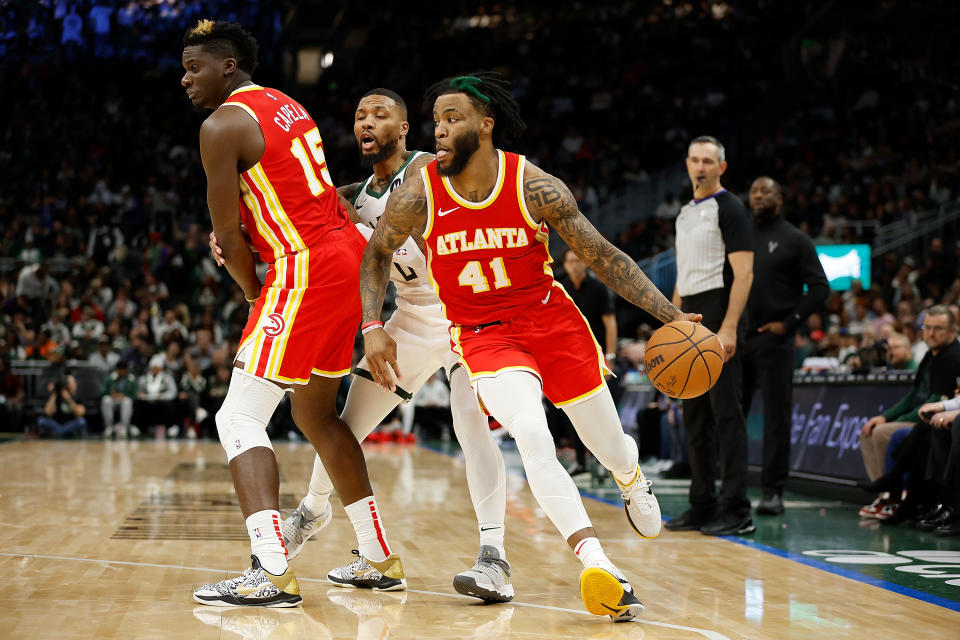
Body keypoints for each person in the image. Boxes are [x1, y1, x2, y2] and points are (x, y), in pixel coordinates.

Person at [358, 71, 701, 622]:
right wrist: (372, 325)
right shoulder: (421, 192)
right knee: (530, 431)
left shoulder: (534, 185)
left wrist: (673, 316)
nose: (439, 132)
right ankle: (599, 565)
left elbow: (603, 256)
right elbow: (376, 253)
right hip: (484, 336)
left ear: (485, 125)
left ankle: (631, 473)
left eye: (453, 119)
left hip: (552, 324)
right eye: (436, 122)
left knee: (608, 446)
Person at [255, 88, 514, 602]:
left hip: (470, 316)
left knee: (471, 427)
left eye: (381, 115)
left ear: (404, 129)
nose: (367, 122)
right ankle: (312, 512)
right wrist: (234, 236)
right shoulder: (350, 198)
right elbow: (294, 212)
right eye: (359, 116)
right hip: (413, 322)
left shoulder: (435, 169)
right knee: (342, 427)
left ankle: (494, 558)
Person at [180, 20, 401, 608]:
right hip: (345, 256)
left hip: (304, 266)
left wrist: (255, 294)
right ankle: (377, 555)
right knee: (318, 416)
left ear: (228, 66)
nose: (186, 79)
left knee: (238, 418)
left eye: (194, 67)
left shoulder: (220, 125)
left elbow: (226, 235)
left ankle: (271, 569)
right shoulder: (285, 104)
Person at [665, 136, 755, 536]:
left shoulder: (731, 208)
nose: (700, 167)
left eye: (708, 161)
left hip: (720, 311)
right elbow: (684, 276)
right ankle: (701, 504)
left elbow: (745, 273)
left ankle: (737, 509)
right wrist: (672, 320)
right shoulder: (684, 213)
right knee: (695, 417)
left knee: (727, 416)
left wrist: (730, 326)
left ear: (722, 166)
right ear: (687, 164)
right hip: (689, 317)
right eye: (695, 160)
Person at [741, 176, 829, 515]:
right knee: (733, 417)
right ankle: (731, 490)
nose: (759, 195)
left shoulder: (796, 239)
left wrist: (789, 324)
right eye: (754, 190)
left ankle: (773, 491)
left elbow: (820, 289)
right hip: (740, 337)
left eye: (766, 191)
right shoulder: (741, 237)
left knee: (777, 419)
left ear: (780, 199)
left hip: (776, 341)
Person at [858, 305, 960, 519]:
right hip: (926, 415)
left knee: (884, 433)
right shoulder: (930, 356)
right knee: (869, 430)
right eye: (927, 328)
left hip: (931, 418)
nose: (931, 333)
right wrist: (885, 416)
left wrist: (897, 420)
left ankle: (894, 494)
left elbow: (934, 402)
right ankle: (885, 494)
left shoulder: (952, 357)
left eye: (938, 329)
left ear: (952, 330)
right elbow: (912, 396)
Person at [552, 248, 618, 475]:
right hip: (570, 358)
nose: (574, 265)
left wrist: (610, 357)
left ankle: (603, 465)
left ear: (585, 263)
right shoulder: (561, 288)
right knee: (575, 413)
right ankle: (580, 462)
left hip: (596, 357)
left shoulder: (598, 289)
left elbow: (610, 323)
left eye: (578, 260)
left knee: (601, 413)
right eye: (570, 261)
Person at [101, 359, 137, 438]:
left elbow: (135, 395)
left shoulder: (131, 379)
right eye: (120, 369)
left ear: (126, 370)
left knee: (127, 401)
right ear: (116, 369)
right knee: (106, 400)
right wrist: (111, 394)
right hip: (113, 400)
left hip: (124, 400)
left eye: (123, 369)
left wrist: (124, 395)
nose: (122, 372)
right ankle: (109, 427)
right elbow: (102, 392)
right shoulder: (110, 378)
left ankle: (124, 428)